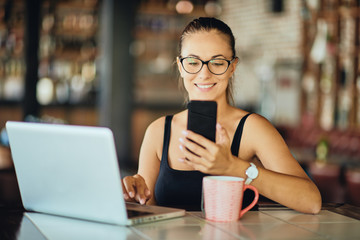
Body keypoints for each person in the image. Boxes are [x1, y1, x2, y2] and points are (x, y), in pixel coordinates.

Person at [122, 17, 322, 214]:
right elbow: (149, 207)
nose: (204, 74)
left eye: (217, 63)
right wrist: (135, 196)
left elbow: (311, 201)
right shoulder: (158, 130)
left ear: (232, 67)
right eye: (192, 62)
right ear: (180, 66)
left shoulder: (252, 128)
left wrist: (234, 167)